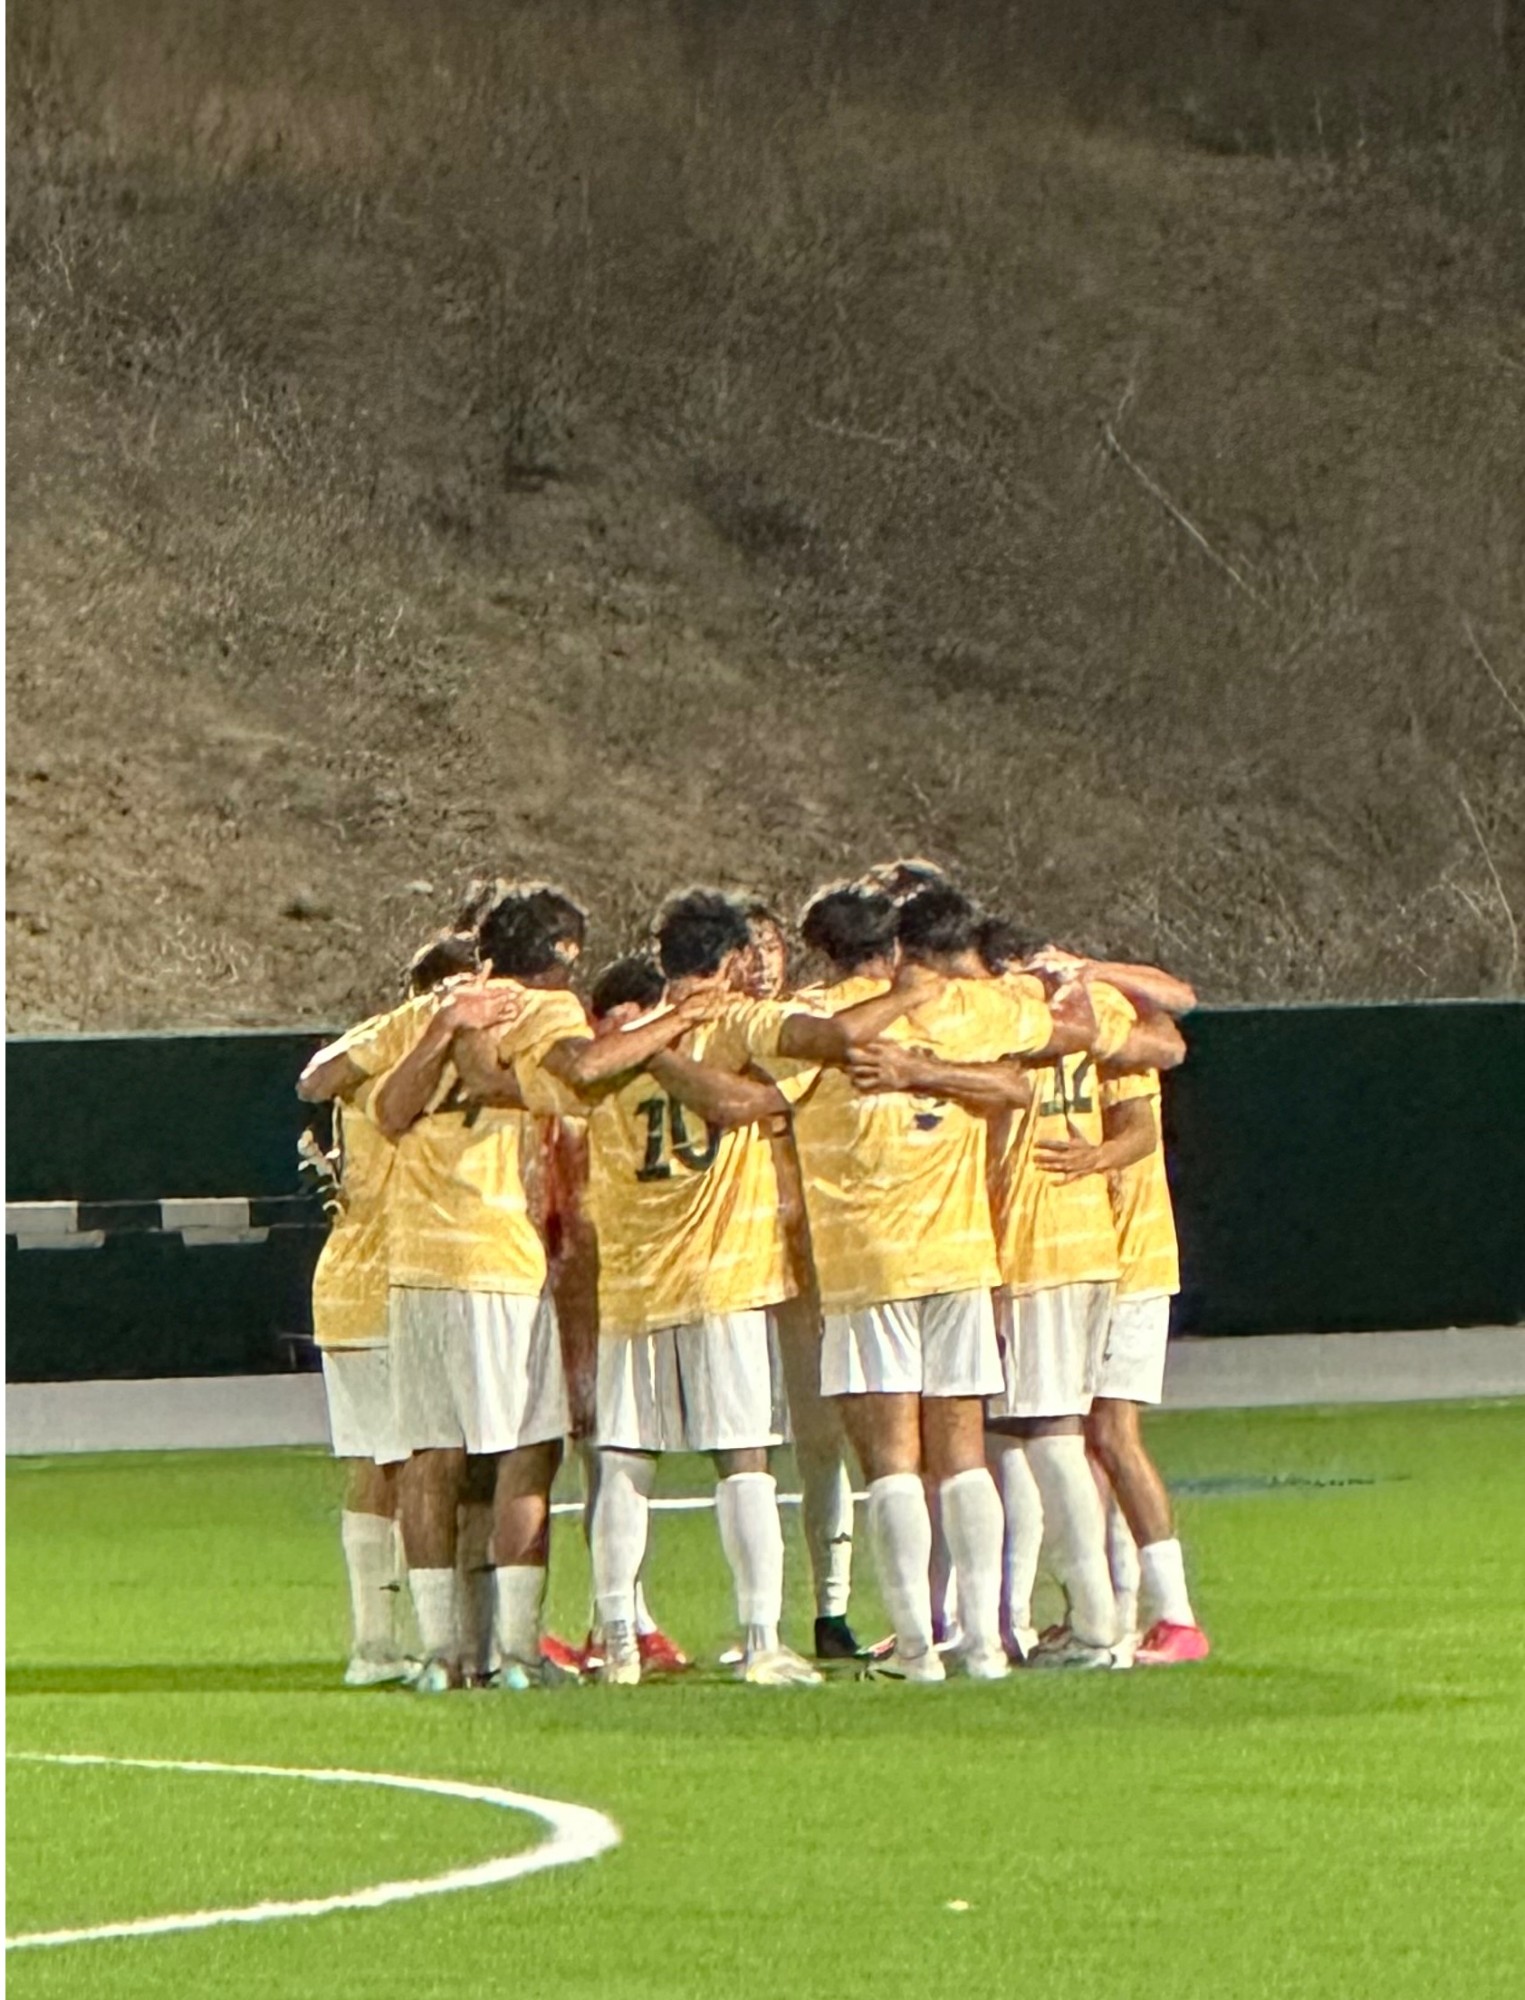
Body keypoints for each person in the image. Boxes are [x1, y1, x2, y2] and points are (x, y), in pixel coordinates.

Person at [731, 882, 1077, 1682]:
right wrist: (937, 1057)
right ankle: (983, 1644)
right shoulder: (963, 1007)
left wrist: (913, 1068)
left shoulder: (806, 1024)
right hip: (957, 1256)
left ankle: (919, 1646)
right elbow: (1026, 1074)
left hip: (867, 1267)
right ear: (894, 942)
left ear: (818, 949)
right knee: (960, 1455)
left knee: (891, 1459)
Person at [502, 890, 835, 1687]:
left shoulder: (611, 1044)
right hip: (724, 1280)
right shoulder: (735, 1027)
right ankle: (760, 1640)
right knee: (743, 1461)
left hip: (632, 1285)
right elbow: (797, 1065)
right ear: (728, 963)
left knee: (624, 1462)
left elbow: (544, 1083)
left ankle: (616, 1638)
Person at [362, 887, 601, 1692]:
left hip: (420, 1261)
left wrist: (442, 1030)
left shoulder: (433, 1008)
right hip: (500, 1253)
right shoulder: (549, 1012)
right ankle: (519, 1652)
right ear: (562, 948)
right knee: (526, 1452)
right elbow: (570, 1087)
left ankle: (439, 1654)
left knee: (434, 1452)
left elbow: (382, 1107)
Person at [980, 931, 1186, 1667]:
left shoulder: (1013, 1011)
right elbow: (1165, 1046)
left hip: (1081, 1252)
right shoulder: (1092, 1014)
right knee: (1077, 1433)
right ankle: (1112, 1614)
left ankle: (1122, 1619)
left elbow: (1165, 1047)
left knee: (1073, 1433)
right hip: (1098, 1251)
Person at [295, 929, 493, 1686]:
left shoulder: (392, 1049)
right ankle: (397, 1642)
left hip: (359, 1280)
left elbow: (315, 1078)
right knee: (414, 1461)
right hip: (387, 1279)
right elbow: (315, 1076)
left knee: (385, 1464)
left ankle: (381, 1641)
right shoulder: (409, 1037)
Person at [737, 900, 866, 1660]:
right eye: (745, 948)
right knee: (739, 1444)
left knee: (820, 1440)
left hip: (804, 1258)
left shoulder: (804, 1027)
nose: (758, 961)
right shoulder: (702, 1035)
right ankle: (749, 1619)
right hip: (721, 1259)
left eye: (769, 946)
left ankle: (829, 1608)